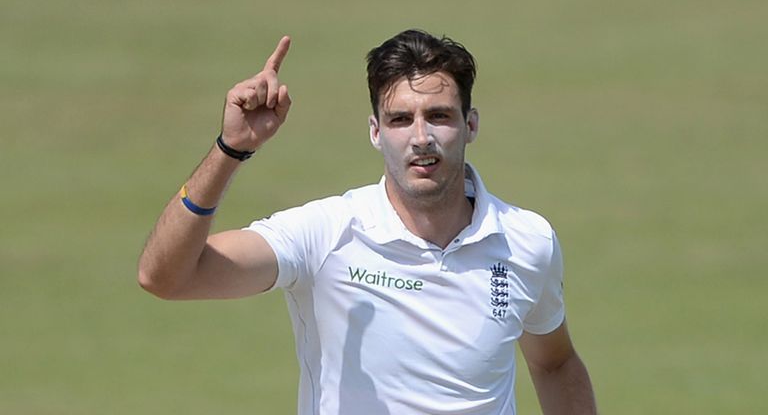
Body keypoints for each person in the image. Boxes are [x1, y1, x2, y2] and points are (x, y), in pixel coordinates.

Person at [138, 29, 597, 414]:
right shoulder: (325, 233)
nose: (421, 138)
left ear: (470, 125)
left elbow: (554, 362)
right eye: (401, 119)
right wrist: (231, 149)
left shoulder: (526, 240)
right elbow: (166, 278)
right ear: (376, 132)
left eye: (438, 116)